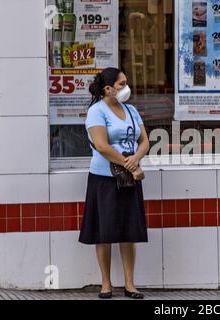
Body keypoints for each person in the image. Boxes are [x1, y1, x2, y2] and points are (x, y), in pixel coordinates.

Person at [78, 67, 150, 299]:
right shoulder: (96, 112)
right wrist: (132, 166)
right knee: (104, 231)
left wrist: (136, 158)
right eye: (121, 84)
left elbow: (144, 141)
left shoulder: (131, 110)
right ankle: (106, 284)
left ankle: (130, 284)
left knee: (128, 231)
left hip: (129, 178)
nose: (125, 88)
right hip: (104, 179)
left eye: (126, 83)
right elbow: (101, 146)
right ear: (107, 89)